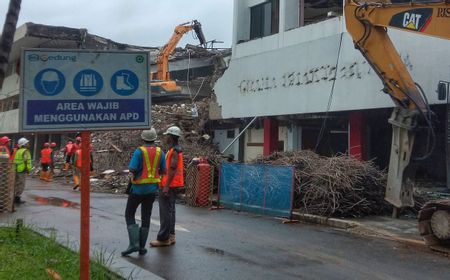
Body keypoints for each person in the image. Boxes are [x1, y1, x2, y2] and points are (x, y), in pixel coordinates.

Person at [122, 128, 166, 256]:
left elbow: (133, 168)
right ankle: (141, 247)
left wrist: (134, 174)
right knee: (146, 217)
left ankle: (134, 244)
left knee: (129, 214)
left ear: (143, 138)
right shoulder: (160, 152)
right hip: (152, 190)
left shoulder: (139, 151)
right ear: (154, 138)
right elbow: (164, 170)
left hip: (137, 189)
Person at [150, 126, 184, 247]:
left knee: (165, 212)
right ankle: (171, 236)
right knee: (170, 211)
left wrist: (166, 186)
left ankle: (163, 238)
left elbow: (173, 168)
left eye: (167, 135)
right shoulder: (174, 150)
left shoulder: (174, 151)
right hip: (173, 185)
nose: (165, 137)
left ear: (171, 136)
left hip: (169, 185)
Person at [13, 137, 32, 204]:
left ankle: (14, 197)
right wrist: (28, 169)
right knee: (21, 184)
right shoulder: (25, 151)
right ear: (24, 144)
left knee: (17, 183)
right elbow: (26, 161)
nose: (28, 144)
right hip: (22, 169)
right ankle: (17, 198)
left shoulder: (18, 151)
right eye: (27, 143)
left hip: (17, 169)